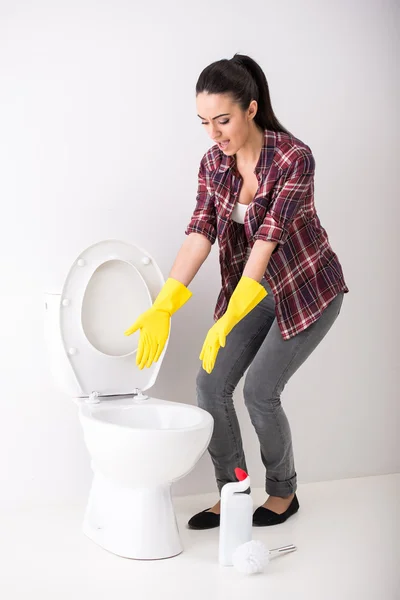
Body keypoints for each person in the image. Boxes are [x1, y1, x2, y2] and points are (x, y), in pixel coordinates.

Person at [125, 53, 349, 529]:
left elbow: (269, 237)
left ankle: (283, 493)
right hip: (251, 290)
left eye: (222, 120)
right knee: (210, 384)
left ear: (251, 109)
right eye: (204, 122)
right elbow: (200, 230)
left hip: (305, 287)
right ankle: (232, 492)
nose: (214, 133)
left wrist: (227, 319)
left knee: (261, 392)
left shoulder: (293, 158)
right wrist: (165, 303)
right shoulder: (213, 162)